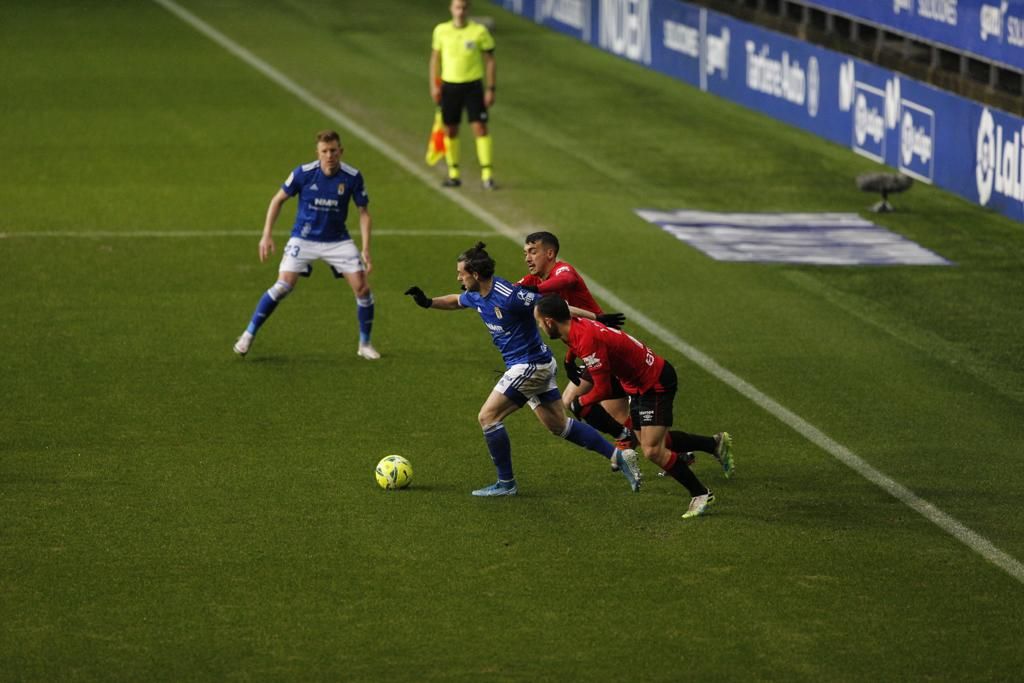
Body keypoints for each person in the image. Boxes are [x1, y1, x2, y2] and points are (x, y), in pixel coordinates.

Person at [404, 242, 643, 496]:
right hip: (530, 365)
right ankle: (618, 455)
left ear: (475, 274)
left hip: (530, 365)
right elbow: (455, 301)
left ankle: (506, 484)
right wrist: (428, 302)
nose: (458, 277)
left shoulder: (510, 296)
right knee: (559, 426)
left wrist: (597, 318)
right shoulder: (475, 294)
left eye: (461, 273)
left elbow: (555, 306)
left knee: (488, 417)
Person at [534, 294, 735, 519]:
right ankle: (714, 444)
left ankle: (701, 493)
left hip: (654, 383)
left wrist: (582, 402)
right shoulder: (572, 327)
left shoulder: (586, 339)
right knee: (648, 441)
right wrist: (569, 361)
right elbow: (577, 347)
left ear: (550, 322)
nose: (540, 327)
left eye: (540, 322)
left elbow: (603, 390)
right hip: (636, 384)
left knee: (652, 450)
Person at [232, 130, 379, 360]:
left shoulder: (352, 177)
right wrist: (266, 235)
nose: (329, 155)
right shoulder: (303, 173)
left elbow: (364, 213)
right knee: (283, 286)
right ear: (318, 153)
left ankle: (365, 344)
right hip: (304, 238)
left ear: (341, 151)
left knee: (363, 288)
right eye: (325, 151)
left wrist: (366, 249)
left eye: (333, 150)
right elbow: (277, 200)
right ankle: (248, 335)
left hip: (337, 241)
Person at [517, 232, 637, 456]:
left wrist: (535, 291)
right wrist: (480, 288)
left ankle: (626, 446)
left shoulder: (562, 270)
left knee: (574, 400)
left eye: (533, 252)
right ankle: (673, 452)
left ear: (550, 253)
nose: (527, 258)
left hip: (604, 349)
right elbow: (510, 293)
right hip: (588, 350)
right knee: (618, 417)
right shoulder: (533, 280)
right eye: (525, 253)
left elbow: (567, 281)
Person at [430, 0, 497, 190]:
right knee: (450, 129)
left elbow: (490, 61)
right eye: (457, 7)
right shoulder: (441, 31)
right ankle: (454, 174)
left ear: (468, 10)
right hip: (449, 86)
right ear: (451, 9)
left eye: (463, 7)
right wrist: (434, 85)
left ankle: (487, 174)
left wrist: (491, 88)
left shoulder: (479, 32)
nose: (460, 11)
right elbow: (435, 59)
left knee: (480, 128)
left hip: (473, 86)